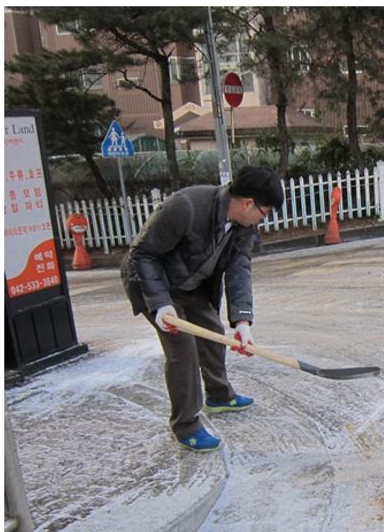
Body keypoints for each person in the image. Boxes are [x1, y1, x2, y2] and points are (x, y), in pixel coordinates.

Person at [121, 167, 284, 452]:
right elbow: (142, 254)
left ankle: (219, 395)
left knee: (211, 329)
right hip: (151, 282)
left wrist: (242, 323)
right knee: (183, 348)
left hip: (190, 286)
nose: (263, 219)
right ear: (248, 203)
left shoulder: (245, 227)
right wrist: (160, 305)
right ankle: (186, 425)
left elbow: (239, 268)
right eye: (265, 212)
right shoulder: (186, 206)